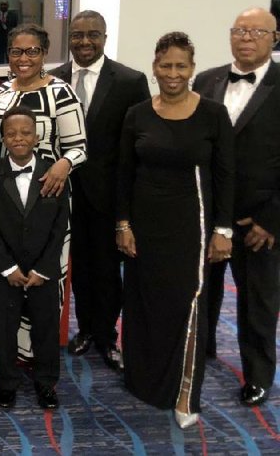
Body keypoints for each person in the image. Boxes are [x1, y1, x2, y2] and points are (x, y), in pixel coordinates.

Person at [117, 32, 234, 429]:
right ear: (154, 66)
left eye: (180, 66)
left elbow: (226, 176)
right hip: (143, 226)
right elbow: (124, 175)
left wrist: (224, 231)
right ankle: (145, 379)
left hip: (192, 225)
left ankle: (186, 391)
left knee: (187, 306)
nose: (172, 73)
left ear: (192, 69)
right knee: (145, 303)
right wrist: (123, 224)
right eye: (165, 65)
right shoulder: (137, 114)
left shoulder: (213, 114)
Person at [50, 10, 150, 371]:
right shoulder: (54, 77)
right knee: (79, 269)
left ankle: (107, 335)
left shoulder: (129, 80)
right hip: (62, 194)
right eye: (77, 35)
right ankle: (87, 329)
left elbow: (136, 145)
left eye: (93, 35)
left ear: (105, 38)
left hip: (108, 195)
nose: (84, 42)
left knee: (107, 269)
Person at [194, 7, 280, 406]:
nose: (247, 38)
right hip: (208, 213)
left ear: (274, 39)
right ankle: (201, 350)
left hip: (259, 219)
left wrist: (270, 219)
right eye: (240, 30)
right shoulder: (206, 79)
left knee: (258, 303)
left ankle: (258, 375)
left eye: (257, 31)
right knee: (202, 291)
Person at [0, 23, 87, 362]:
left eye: (32, 51)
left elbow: (79, 147)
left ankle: (41, 356)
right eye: (17, 52)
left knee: (44, 275)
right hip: (7, 199)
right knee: (10, 270)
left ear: (44, 54)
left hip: (48, 199)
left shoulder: (61, 93)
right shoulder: (2, 93)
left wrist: (63, 164)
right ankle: (12, 353)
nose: (24, 58)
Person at [0, 106, 70, 410]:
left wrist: (44, 269)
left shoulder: (53, 173)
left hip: (42, 270)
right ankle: (7, 383)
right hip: (5, 270)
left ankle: (46, 383)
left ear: (37, 136)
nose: (19, 138)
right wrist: (7, 267)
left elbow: (60, 226)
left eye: (25, 133)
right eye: (11, 133)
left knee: (45, 328)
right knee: (5, 329)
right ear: (3, 138)